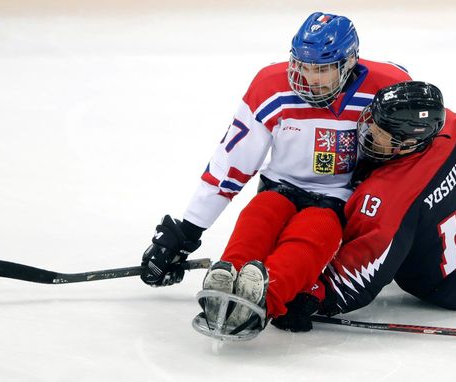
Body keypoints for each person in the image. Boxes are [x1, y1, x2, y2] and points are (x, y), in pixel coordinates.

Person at [139, 12, 411, 340]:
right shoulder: (271, 85)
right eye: (303, 66)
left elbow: (415, 144)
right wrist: (186, 232)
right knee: (261, 213)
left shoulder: (388, 85)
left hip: (339, 199)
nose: (310, 78)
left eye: (322, 69)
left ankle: (267, 296)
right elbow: (232, 164)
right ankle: (226, 279)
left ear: (350, 61)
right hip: (280, 187)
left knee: (313, 230)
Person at [271, 81, 456, 333]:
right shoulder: (454, 128)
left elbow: (363, 272)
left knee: (387, 225)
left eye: (381, 130)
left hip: (448, 288)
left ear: (407, 143)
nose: (369, 127)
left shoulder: (388, 198)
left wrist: (314, 297)